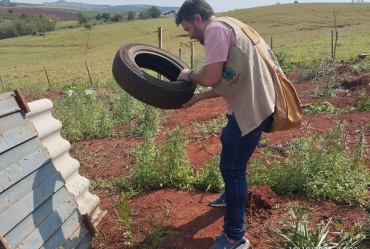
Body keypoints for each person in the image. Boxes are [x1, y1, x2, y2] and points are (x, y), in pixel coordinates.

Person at [176, 0, 279, 248]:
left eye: (188, 29)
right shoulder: (231, 24)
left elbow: (210, 77)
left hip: (250, 112)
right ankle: (230, 197)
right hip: (254, 104)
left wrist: (188, 75)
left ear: (198, 19)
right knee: (232, 166)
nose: (190, 36)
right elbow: (230, 78)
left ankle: (235, 236)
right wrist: (199, 97)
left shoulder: (215, 31)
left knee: (233, 169)